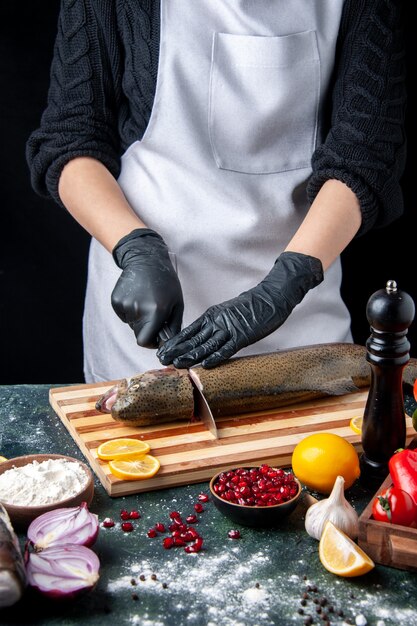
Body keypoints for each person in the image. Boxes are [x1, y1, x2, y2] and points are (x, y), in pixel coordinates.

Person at [26, 0, 407, 383]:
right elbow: (71, 139)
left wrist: (287, 284)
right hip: (147, 312)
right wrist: (134, 248)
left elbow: (365, 157)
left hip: (302, 311)